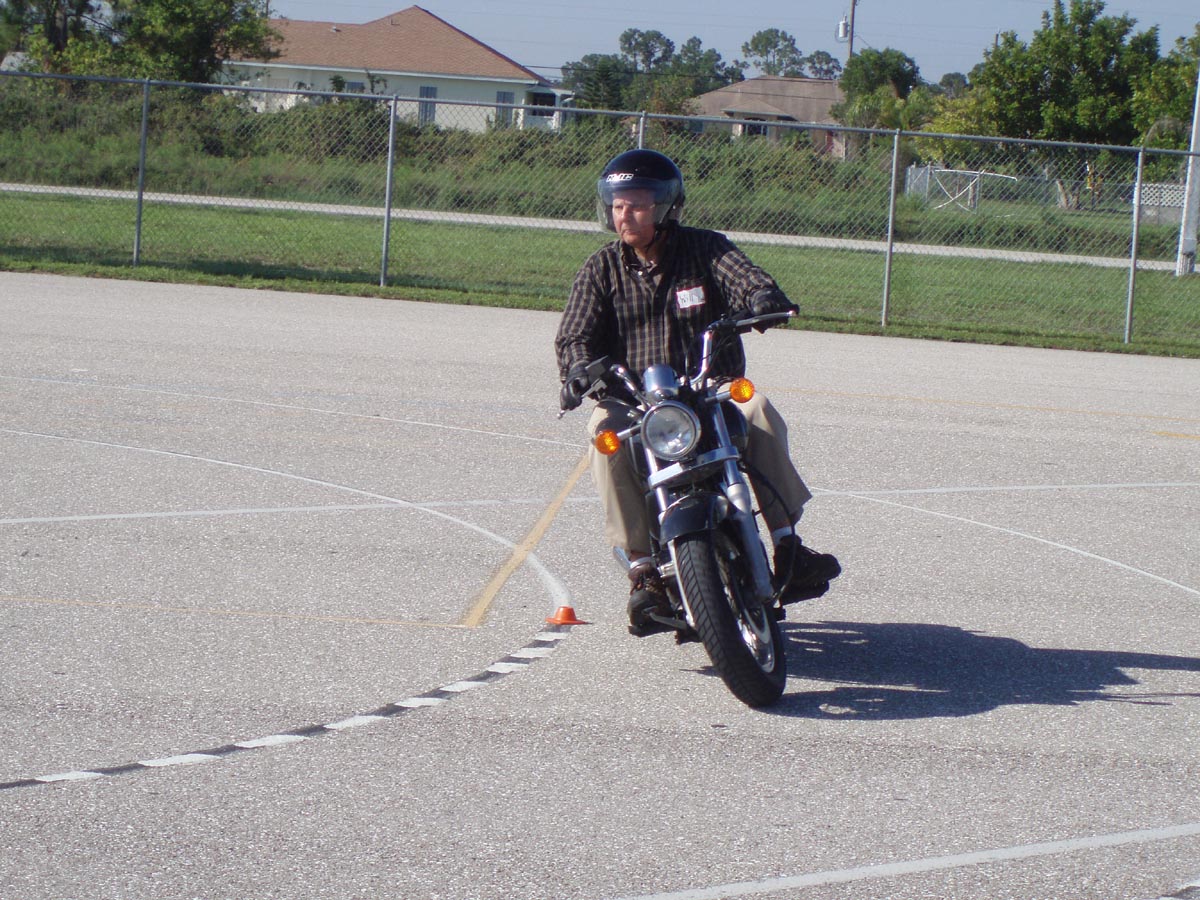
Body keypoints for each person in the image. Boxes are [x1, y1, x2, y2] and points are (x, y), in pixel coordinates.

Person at [555, 149, 840, 634]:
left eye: (638, 204)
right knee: (604, 437)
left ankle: (788, 544)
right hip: (634, 401)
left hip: (709, 387)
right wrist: (578, 369)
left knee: (757, 407)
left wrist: (762, 297)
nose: (626, 214)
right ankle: (643, 571)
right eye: (618, 204)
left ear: (666, 207)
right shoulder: (600, 268)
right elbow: (574, 334)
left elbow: (745, 277)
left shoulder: (705, 249)